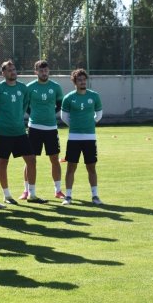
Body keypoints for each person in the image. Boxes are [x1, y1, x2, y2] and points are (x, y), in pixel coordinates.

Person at [0, 60, 45, 204]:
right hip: (2, 132)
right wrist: (0, 121)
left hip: (20, 131)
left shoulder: (23, 88)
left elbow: (24, 105)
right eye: (9, 70)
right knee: (3, 163)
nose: (12, 72)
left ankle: (32, 194)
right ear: (3, 73)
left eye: (14, 69)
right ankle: (7, 196)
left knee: (31, 160)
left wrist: (17, 119)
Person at [60, 69, 103, 206]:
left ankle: (95, 196)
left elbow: (99, 114)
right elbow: (64, 117)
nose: (82, 82)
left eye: (84, 79)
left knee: (91, 167)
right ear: (75, 82)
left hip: (90, 138)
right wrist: (75, 126)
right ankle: (68, 196)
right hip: (74, 138)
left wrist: (90, 123)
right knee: (71, 167)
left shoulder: (94, 96)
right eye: (79, 80)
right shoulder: (68, 98)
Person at [26, 60, 65, 200]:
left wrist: (50, 114)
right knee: (30, 160)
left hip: (51, 128)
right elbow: (26, 105)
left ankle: (58, 190)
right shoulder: (29, 87)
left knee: (54, 159)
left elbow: (60, 104)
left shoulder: (55, 87)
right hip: (34, 128)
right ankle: (28, 191)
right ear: (35, 72)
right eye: (41, 71)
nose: (44, 73)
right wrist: (34, 115)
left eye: (46, 70)